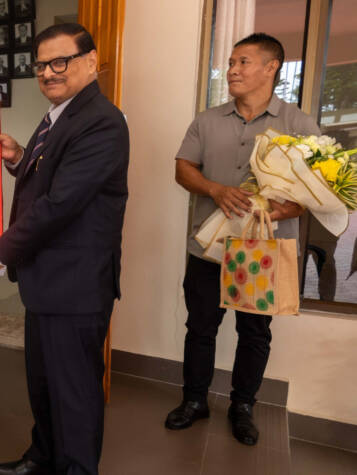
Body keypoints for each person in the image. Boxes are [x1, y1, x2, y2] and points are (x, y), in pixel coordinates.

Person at [0, 23, 129, 475]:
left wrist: (1, 250)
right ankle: (42, 456)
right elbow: (53, 176)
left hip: (76, 285)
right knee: (43, 384)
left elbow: (60, 203)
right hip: (49, 280)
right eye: (40, 65)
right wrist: (20, 157)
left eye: (60, 61)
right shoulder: (61, 114)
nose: (47, 73)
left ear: (91, 61)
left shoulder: (101, 120)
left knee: (74, 392)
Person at [167, 33, 320, 447]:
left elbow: (313, 194)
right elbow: (183, 169)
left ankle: (243, 407)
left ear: (271, 68)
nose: (232, 70)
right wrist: (215, 189)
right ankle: (194, 400)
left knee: (254, 333)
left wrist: (284, 209)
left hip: (262, 250)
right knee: (200, 328)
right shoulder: (206, 120)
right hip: (208, 248)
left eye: (243, 62)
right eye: (231, 63)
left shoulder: (300, 125)